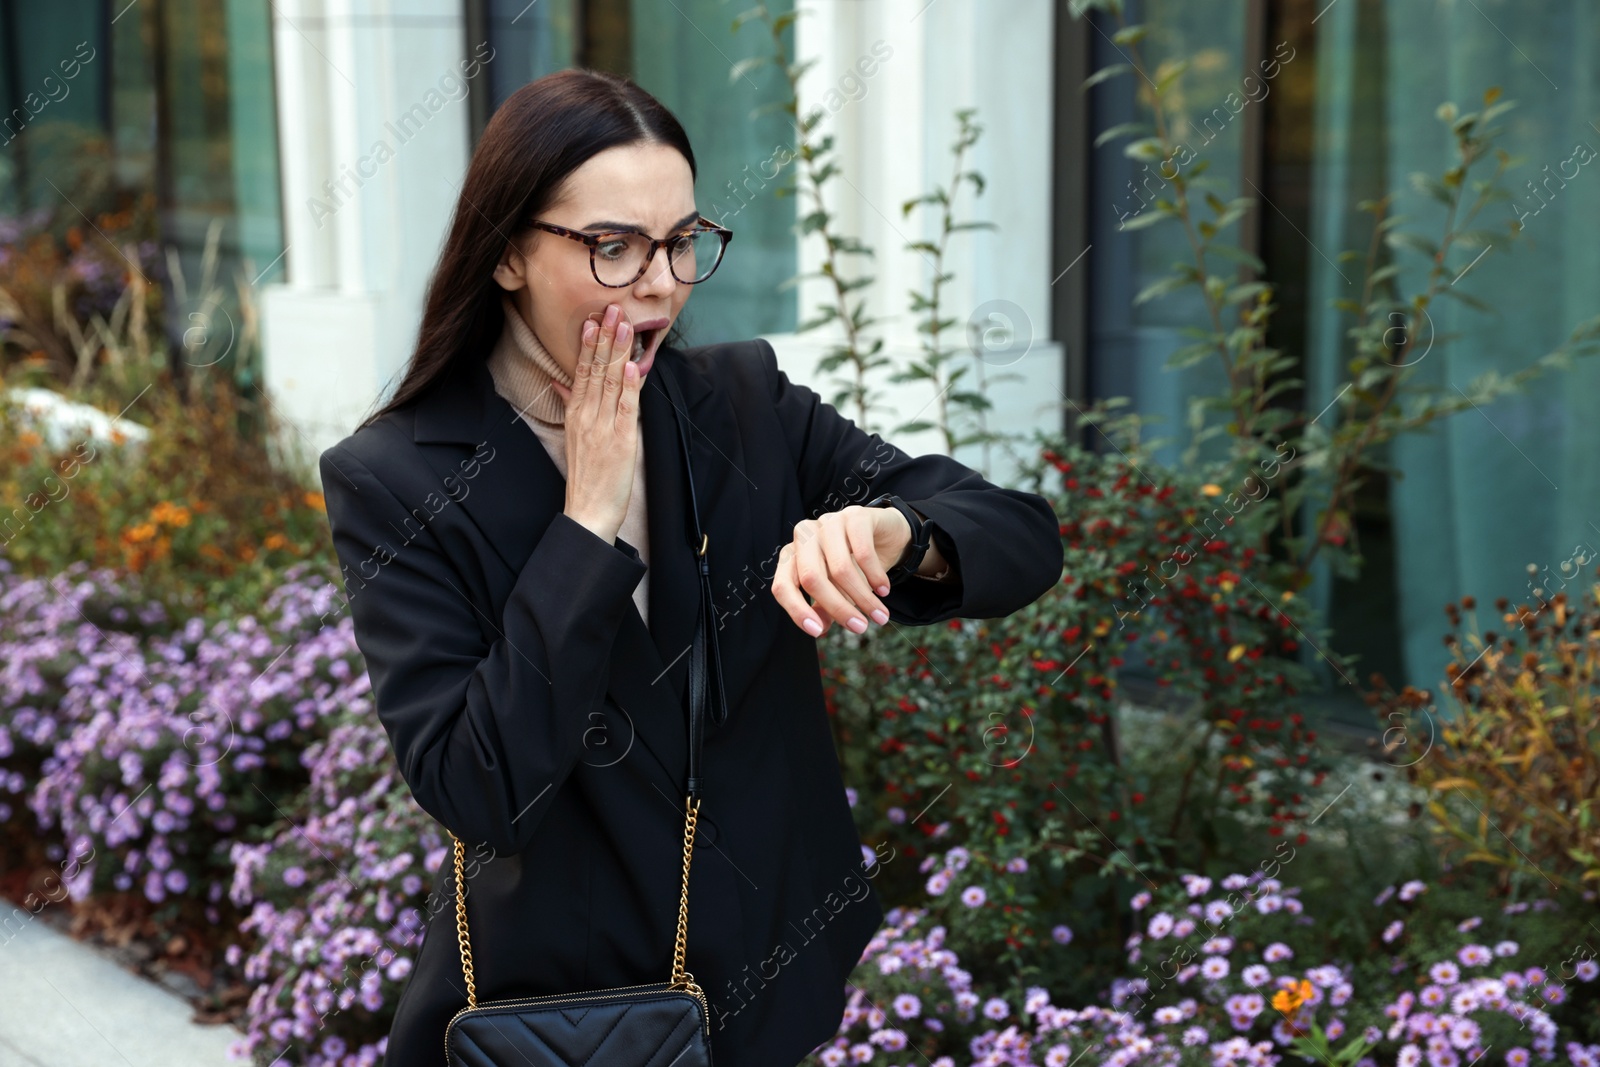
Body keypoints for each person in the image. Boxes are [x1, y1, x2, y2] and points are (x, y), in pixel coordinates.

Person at [317, 67, 1064, 1067]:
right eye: (613, 246)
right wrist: (585, 521)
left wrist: (897, 532)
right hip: (563, 1019)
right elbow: (475, 780)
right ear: (504, 254)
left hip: (778, 994)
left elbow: (1018, 532)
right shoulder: (394, 476)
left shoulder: (737, 404)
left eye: (680, 241)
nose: (662, 280)